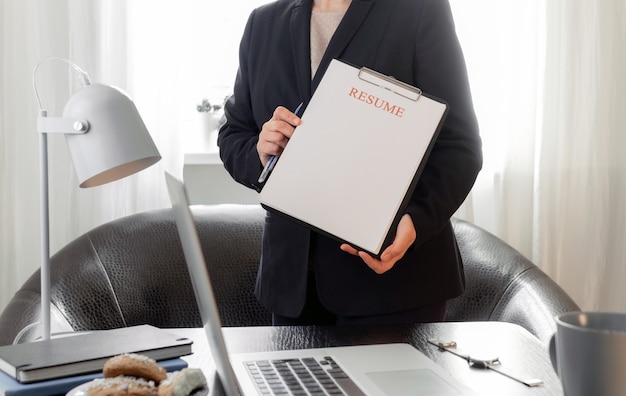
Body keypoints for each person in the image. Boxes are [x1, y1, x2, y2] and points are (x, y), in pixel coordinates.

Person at [218, 0, 482, 325]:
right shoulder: (263, 22)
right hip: (292, 289)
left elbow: (459, 146)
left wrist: (416, 222)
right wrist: (260, 150)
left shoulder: (418, 9)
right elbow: (233, 134)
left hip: (395, 284)